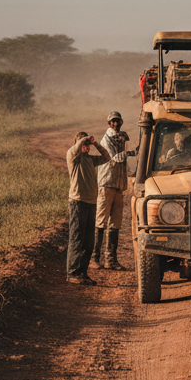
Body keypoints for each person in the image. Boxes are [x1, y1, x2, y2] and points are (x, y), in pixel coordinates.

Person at [92, 111, 136, 271]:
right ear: (109, 124)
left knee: (115, 223)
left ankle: (111, 260)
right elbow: (115, 157)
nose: (116, 124)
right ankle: (94, 258)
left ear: (121, 122)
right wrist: (132, 152)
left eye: (117, 121)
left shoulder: (121, 138)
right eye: (113, 122)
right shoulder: (107, 139)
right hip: (106, 183)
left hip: (118, 185)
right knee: (101, 222)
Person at [67, 131, 111, 285]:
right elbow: (77, 147)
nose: (85, 146)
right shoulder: (73, 157)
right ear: (78, 144)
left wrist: (96, 143)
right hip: (77, 202)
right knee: (77, 239)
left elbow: (107, 157)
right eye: (83, 144)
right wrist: (84, 139)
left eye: (87, 144)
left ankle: (82, 273)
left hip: (91, 202)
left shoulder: (90, 160)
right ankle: (73, 273)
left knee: (88, 241)